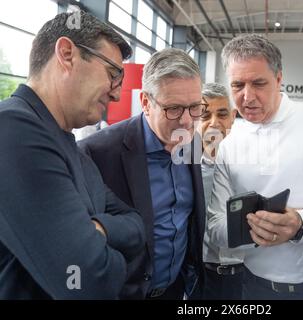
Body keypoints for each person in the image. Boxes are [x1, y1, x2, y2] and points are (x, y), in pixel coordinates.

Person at [0, 11, 146, 299]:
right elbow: (89, 279)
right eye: (112, 74)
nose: (117, 94)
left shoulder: (69, 146)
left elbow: (137, 225)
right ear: (67, 54)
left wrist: (99, 228)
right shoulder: (13, 130)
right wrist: (113, 255)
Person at [207, 34, 303, 300]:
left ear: (279, 79)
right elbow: (215, 225)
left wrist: (300, 223)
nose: (247, 96)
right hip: (253, 284)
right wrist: (254, 227)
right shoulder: (229, 142)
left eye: (258, 83)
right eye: (237, 85)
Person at [79, 48, 206, 300]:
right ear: (146, 103)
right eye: (173, 109)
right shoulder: (96, 153)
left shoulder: (193, 142)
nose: (187, 121)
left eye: (194, 107)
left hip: (176, 289)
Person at [198, 83, 242, 300]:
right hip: (201, 276)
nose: (214, 123)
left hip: (245, 275)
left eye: (222, 114)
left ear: (233, 116)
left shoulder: (254, 167)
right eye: (205, 115)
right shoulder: (183, 169)